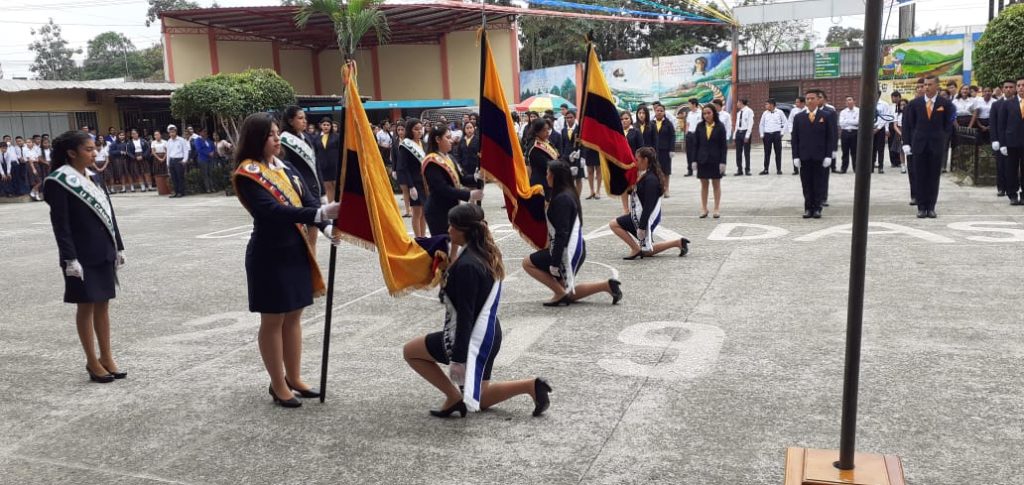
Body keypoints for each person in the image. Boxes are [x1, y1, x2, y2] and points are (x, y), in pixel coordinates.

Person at [231, 113, 341, 408]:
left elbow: (307, 199)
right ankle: (277, 383)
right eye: (270, 135)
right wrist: (318, 215)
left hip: (295, 249)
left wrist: (326, 225)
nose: (277, 138)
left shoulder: (287, 167)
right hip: (269, 254)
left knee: (294, 315)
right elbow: (270, 211)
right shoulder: (248, 173)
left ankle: (294, 377)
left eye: (278, 133)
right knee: (273, 319)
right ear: (256, 139)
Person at [402, 204, 552, 418]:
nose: (448, 229)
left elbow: (465, 316)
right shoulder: (485, 252)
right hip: (491, 332)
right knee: (480, 397)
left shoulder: (467, 266)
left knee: (411, 352)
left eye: (452, 226)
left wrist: (459, 359)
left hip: (470, 338)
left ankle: (452, 396)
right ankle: (531, 386)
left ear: (464, 231)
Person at [43, 131, 127, 383]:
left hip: (103, 249)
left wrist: (119, 247)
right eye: (89, 149)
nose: (94, 153)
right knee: (86, 305)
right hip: (79, 255)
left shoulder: (95, 178)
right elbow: (61, 225)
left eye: (95, 149)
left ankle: (107, 356)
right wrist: (69, 259)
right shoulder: (58, 181)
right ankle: (91, 360)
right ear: (72, 153)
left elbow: (110, 215)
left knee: (103, 303)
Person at [522, 160, 622, 307]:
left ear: (555, 176)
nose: (546, 176)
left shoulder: (563, 198)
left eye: (548, 173)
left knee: (527, 263)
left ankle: (560, 294)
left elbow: (562, 232)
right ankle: (606, 286)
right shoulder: (567, 192)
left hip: (567, 250)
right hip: (574, 246)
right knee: (567, 290)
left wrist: (555, 263)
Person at [610, 146, 689, 259]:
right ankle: (679, 243)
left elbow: (648, 206)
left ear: (645, 160)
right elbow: (635, 193)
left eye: (637, 159)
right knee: (647, 251)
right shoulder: (646, 174)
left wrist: (642, 227)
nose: (635, 162)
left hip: (647, 217)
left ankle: (635, 249)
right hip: (641, 214)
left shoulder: (651, 179)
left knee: (613, 224)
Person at [903, 76, 954, 217]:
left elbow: (949, 124)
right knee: (920, 176)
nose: (926, 87)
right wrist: (907, 142)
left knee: (933, 176)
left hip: (936, 145)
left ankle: (931, 207)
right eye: (925, 85)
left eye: (930, 84)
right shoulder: (914, 104)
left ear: (937, 86)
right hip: (918, 145)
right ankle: (921, 207)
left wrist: (943, 137)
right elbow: (908, 125)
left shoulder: (945, 104)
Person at [422, 124, 481, 236]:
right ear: (438, 139)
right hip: (438, 210)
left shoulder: (449, 157)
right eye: (448, 137)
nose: (451, 141)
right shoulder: (432, 161)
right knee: (443, 247)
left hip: (452, 207)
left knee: (454, 246)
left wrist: (475, 177)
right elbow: (443, 189)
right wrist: (469, 195)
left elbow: (462, 178)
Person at [280, 106, 324, 248]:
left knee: (313, 229)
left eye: (305, 118)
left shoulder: (307, 139)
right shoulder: (284, 141)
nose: (304, 121)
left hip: (313, 189)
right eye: (300, 118)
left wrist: (322, 191)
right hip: (297, 190)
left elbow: (316, 166)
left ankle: (312, 262)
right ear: (290, 121)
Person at [792, 89, 836, 219]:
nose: (810, 101)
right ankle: (808, 209)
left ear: (818, 100)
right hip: (804, 156)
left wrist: (829, 155)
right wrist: (795, 156)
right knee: (806, 184)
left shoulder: (826, 115)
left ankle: (817, 208)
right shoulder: (799, 117)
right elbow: (795, 139)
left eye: (812, 98)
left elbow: (830, 137)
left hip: (820, 157)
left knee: (819, 183)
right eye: (808, 99)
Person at [692, 104, 728, 219]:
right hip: (702, 159)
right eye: (704, 113)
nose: (706, 115)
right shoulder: (700, 126)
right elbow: (695, 145)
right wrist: (694, 160)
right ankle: (704, 208)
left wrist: (723, 162)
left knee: (716, 184)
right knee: (704, 185)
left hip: (716, 160)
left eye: (709, 113)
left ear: (714, 113)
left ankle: (716, 208)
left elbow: (723, 146)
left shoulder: (720, 126)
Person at [995, 77, 1024, 205]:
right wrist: (1002, 143)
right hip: (1011, 142)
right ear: (1016, 88)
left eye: (1023, 85)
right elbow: (1001, 125)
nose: (1021, 88)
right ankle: (1012, 194)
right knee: (1011, 170)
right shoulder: (1008, 104)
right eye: (1019, 85)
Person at [398, 118, 428, 237]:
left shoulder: (423, 144)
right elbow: (404, 168)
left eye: (421, 128)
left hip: (425, 182)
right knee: (417, 212)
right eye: (416, 129)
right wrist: (410, 186)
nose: (419, 131)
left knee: (424, 212)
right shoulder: (406, 145)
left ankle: (423, 236)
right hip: (414, 182)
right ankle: (418, 237)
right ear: (410, 130)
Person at [991, 80, 1015, 197]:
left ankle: (1013, 187)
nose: (1008, 89)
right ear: (1002, 89)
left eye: (1011, 87)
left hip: (1015, 140)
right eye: (1006, 87)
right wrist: (994, 139)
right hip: (1001, 139)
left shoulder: (1019, 103)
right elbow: (993, 123)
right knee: (1001, 165)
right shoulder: (996, 105)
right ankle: (1001, 187)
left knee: (1013, 166)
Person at [526, 118, 558, 196]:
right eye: (544, 130)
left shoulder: (546, 142)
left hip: (549, 180)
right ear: (537, 131)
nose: (547, 132)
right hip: (540, 183)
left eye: (548, 129)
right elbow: (546, 164)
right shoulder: (535, 146)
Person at [314, 117, 341, 203]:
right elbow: (315, 152)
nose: (326, 126)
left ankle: (340, 203)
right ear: (320, 126)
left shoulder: (337, 136)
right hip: (323, 165)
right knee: (327, 186)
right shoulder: (316, 138)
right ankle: (331, 204)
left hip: (335, 164)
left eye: (328, 125)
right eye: (324, 125)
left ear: (331, 126)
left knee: (337, 185)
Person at [651, 102, 676, 196]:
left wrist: (672, 149)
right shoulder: (651, 123)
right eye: (657, 110)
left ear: (664, 112)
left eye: (661, 111)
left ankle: (666, 189)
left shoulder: (668, 124)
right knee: (655, 170)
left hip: (665, 151)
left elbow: (672, 136)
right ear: (655, 111)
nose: (659, 112)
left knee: (666, 171)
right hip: (653, 151)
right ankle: (657, 189)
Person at [453, 120, 482, 196]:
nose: (469, 130)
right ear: (464, 129)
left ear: (474, 128)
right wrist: (459, 165)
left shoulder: (478, 140)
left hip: (475, 167)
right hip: (465, 167)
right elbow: (458, 154)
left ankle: (477, 206)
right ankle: (470, 206)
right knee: (468, 190)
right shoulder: (462, 141)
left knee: (477, 189)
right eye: (467, 128)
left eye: (471, 128)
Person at [759, 99, 786, 175]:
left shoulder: (780, 112)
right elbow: (761, 124)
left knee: (778, 152)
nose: (766, 106)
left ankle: (779, 169)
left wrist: (782, 132)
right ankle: (766, 169)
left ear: (772, 105)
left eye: (767, 104)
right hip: (767, 135)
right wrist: (762, 134)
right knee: (767, 153)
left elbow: (785, 122)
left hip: (777, 134)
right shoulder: (765, 113)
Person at [390, 123, 411, 216]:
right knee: (404, 190)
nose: (400, 132)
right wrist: (394, 169)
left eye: (402, 129)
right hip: (400, 169)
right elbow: (394, 157)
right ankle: (408, 210)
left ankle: (415, 209)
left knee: (412, 189)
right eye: (398, 130)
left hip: (410, 169)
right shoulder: (395, 142)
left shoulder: (410, 141)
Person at [165, 125, 190, 198]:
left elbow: (186, 150)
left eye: (173, 132)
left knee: (180, 177)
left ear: (176, 132)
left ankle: (181, 192)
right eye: (170, 132)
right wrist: (167, 163)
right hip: (171, 160)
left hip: (179, 160)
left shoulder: (181, 140)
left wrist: (185, 160)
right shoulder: (169, 141)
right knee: (173, 177)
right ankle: (175, 192)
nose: (172, 134)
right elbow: (168, 153)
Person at [871, 90, 893, 174]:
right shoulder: (869, 103)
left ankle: (880, 167)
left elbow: (885, 118)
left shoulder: (884, 104)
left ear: (879, 95)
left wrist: (878, 128)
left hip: (880, 129)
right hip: (871, 129)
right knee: (872, 149)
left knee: (880, 149)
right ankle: (871, 166)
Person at [784, 97, 807, 175]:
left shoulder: (807, 110)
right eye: (796, 102)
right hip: (795, 133)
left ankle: (804, 168)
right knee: (795, 151)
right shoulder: (793, 110)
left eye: (797, 102)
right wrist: (791, 131)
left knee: (805, 151)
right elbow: (790, 121)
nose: (796, 104)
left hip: (805, 134)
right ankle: (795, 169)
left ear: (803, 103)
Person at [838, 96, 859, 173]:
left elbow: (858, 122)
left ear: (854, 101)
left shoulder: (858, 111)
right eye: (847, 100)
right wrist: (852, 121)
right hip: (845, 133)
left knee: (855, 152)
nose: (848, 102)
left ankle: (856, 168)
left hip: (855, 133)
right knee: (845, 152)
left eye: (850, 100)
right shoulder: (843, 112)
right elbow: (841, 124)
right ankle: (843, 168)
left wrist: (847, 121)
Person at [734, 98, 754, 175]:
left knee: (746, 152)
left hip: (745, 132)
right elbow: (736, 124)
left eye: (738, 102)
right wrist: (734, 135)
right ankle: (739, 170)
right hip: (739, 133)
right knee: (738, 153)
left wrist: (747, 135)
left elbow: (750, 124)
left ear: (741, 102)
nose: (737, 104)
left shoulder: (749, 111)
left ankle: (747, 170)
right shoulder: (739, 113)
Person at [682, 99, 702, 178]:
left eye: (689, 104)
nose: (688, 105)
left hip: (697, 134)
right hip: (689, 134)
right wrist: (686, 133)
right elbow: (688, 124)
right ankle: (689, 170)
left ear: (694, 104)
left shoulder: (700, 113)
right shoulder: (689, 113)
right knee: (689, 153)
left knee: (697, 152)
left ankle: (699, 169)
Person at [192, 128, 216, 193]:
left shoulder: (208, 140)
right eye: (203, 132)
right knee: (205, 174)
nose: (205, 133)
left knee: (210, 173)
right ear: (200, 133)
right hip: (203, 159)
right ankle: (208, 188)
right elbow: (199, 149)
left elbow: (213, 147)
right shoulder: (197, 140)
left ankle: (212, 187)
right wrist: (208, 153)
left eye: (205, 132)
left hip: (210, 159)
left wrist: (213, 152)